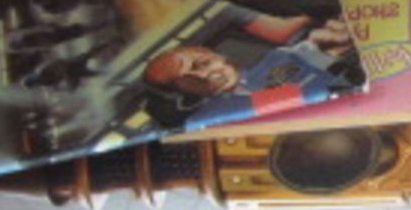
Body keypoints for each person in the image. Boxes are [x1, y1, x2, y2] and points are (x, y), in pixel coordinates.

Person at [143, 14, 359, 129]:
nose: (205, 76)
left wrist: (329, 48)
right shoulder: (212, 118)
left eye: (201, 64)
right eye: (189, 81)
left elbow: (318, 55)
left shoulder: (278, 59)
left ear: (212, 53)